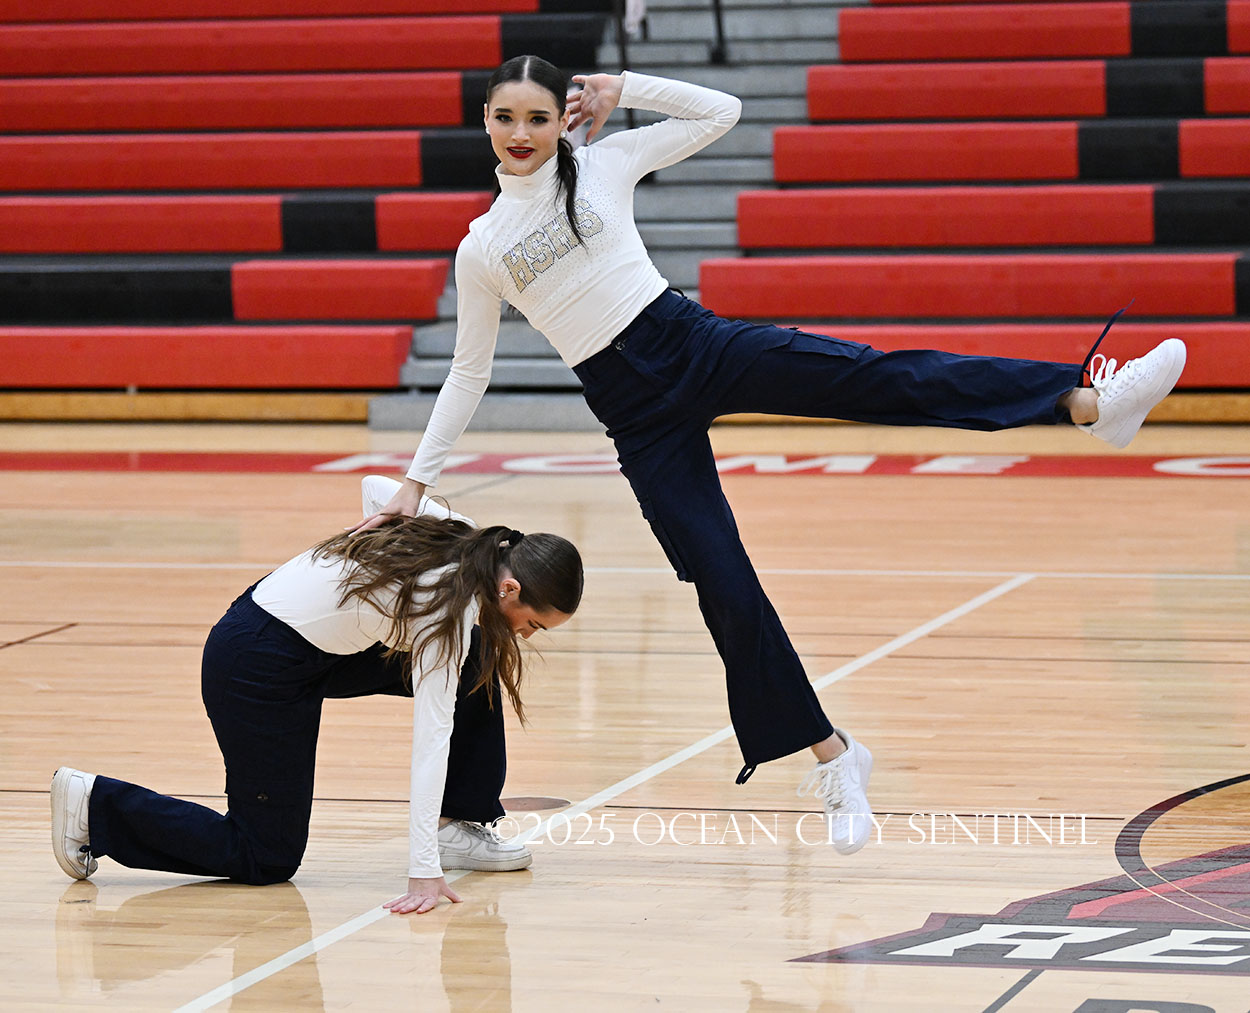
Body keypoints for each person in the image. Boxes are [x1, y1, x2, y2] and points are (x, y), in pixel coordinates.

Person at [356, 55, 1188, 856]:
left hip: (695, 343)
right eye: (506, 117)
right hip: (635, 413)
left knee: (876, 377)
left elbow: (722, 112)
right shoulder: (483, 246)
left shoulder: (604, 163)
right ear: (486, 120)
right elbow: (468, 372)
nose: (521, 133)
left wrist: (625, 88)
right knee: (723, 582)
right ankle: (833, 755)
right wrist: (415, 482)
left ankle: (1086, 402)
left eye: (538, 117)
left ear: (559, 119)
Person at [51, 482, 584, 914]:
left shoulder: (469, 538)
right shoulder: (443, 611)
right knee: (266, 856)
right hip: (257, 667)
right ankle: (95, 806)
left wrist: (389, 518)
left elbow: (376, 486)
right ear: (509, 589)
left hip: (308, 649)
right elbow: (431, 744)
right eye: (533, 624)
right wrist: (422, 870)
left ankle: (458, 825)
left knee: (477, 662)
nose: (526, 636)